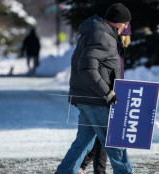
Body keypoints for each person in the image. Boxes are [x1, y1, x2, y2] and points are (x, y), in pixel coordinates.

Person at [55, 3, 132, 174]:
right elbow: (87, 68)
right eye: (125, 23)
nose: (126, 27)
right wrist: (107, 92)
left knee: (82, 143)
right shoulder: (102, 36)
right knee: (115, 144)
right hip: (96, 100)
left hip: (88, 98)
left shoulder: (97, 32)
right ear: (116, 22)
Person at [77, 23, 132, 174]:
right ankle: (91, 168)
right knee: (108, 137)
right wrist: (107, 91)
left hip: (110, 92)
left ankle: (80, 166)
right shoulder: (107, 42)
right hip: (104, 94)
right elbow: (94, 69)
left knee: (100, 137)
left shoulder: (116, 46)